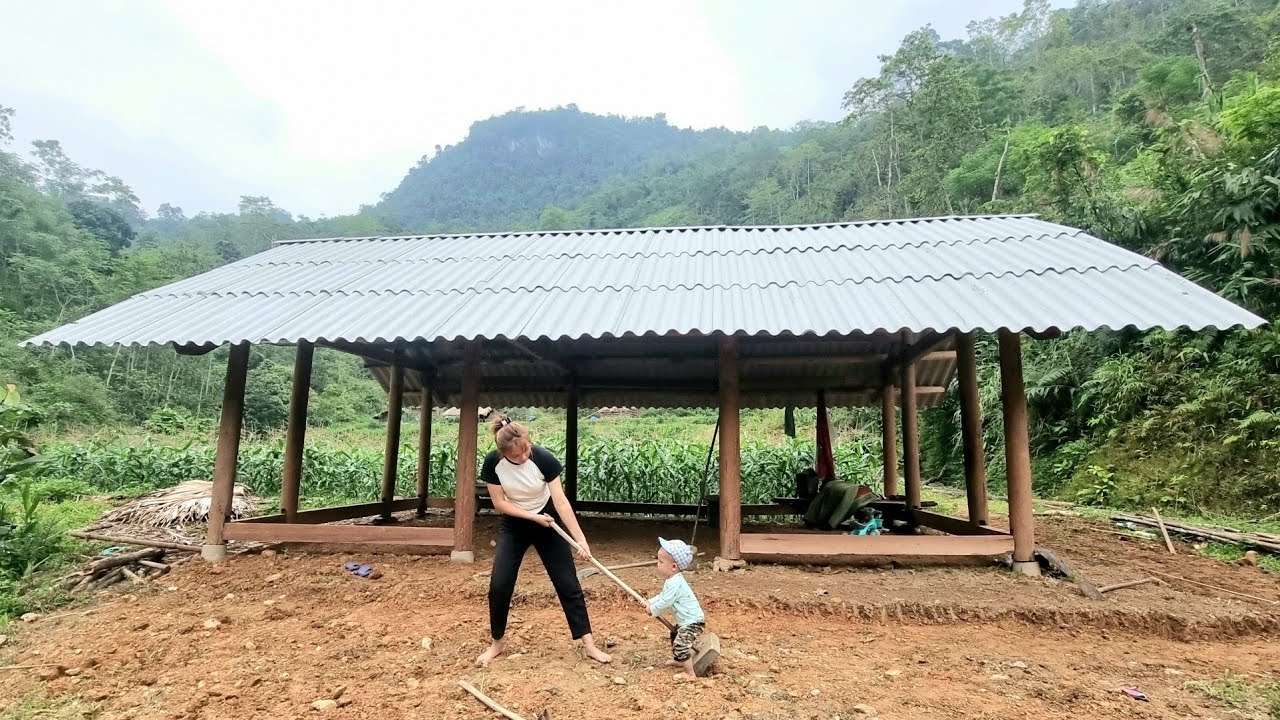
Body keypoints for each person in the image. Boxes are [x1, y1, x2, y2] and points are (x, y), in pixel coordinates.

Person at [475, 413, 612, 667]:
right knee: (500, 584)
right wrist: (531, 517)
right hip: (515, 524)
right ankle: (497, 643)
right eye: (517, 455)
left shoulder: (543, 458)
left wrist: (580, 539)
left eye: (526, 449)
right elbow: (499, 503)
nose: (524, 456)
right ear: (503, 453)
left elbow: (560, 501)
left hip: (547, 521)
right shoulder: (492, 464)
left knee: (567, 582)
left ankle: (589, 644)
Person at [647, 537, 706, 679]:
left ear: (674, 566)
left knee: (681, 644)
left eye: (661, 562)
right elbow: (663, 596)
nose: (657, 564)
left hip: (693, 622)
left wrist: (653, 609)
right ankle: (680, 660)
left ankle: (690, 673)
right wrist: (649, 601)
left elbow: (665, 602)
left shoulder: (675, 583)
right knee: (675, 635)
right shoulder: (672, 580)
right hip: (686, 621)